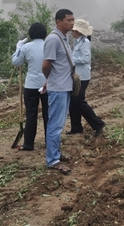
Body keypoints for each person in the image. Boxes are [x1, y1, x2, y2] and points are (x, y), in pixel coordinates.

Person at [42, 9, 74, 175]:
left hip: (64, 87)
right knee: (54, 125)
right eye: (68, 20)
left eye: (73, 20)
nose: (72, 23)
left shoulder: (64, 38)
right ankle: (52, 160)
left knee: (59, 124)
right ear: (58, 22)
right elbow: (46, 65)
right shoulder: (53, 39)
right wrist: (50, 81)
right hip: (58, 88)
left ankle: (56, 154)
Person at [11, 22, 49, 151]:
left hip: (31, 85)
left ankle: (28, 144)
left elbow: (16, 62)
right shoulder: (48, 45)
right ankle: (50, 142)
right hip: (47, 84)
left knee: (31, 114)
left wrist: (18, 48)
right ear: (44, 33)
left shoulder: (26, 47)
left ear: (31, 33)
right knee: (48, 114)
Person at [67, 19, 105, 137]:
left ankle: (98, 124)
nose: (71, 31)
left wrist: (71, 60)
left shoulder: (84, 43)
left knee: (79, 101)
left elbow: (85, 59)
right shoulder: (78, 41)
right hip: (77, 75)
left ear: (79, 31)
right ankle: (76, 127)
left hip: (82, 77)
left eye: (74, 29)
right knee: (73, 102)